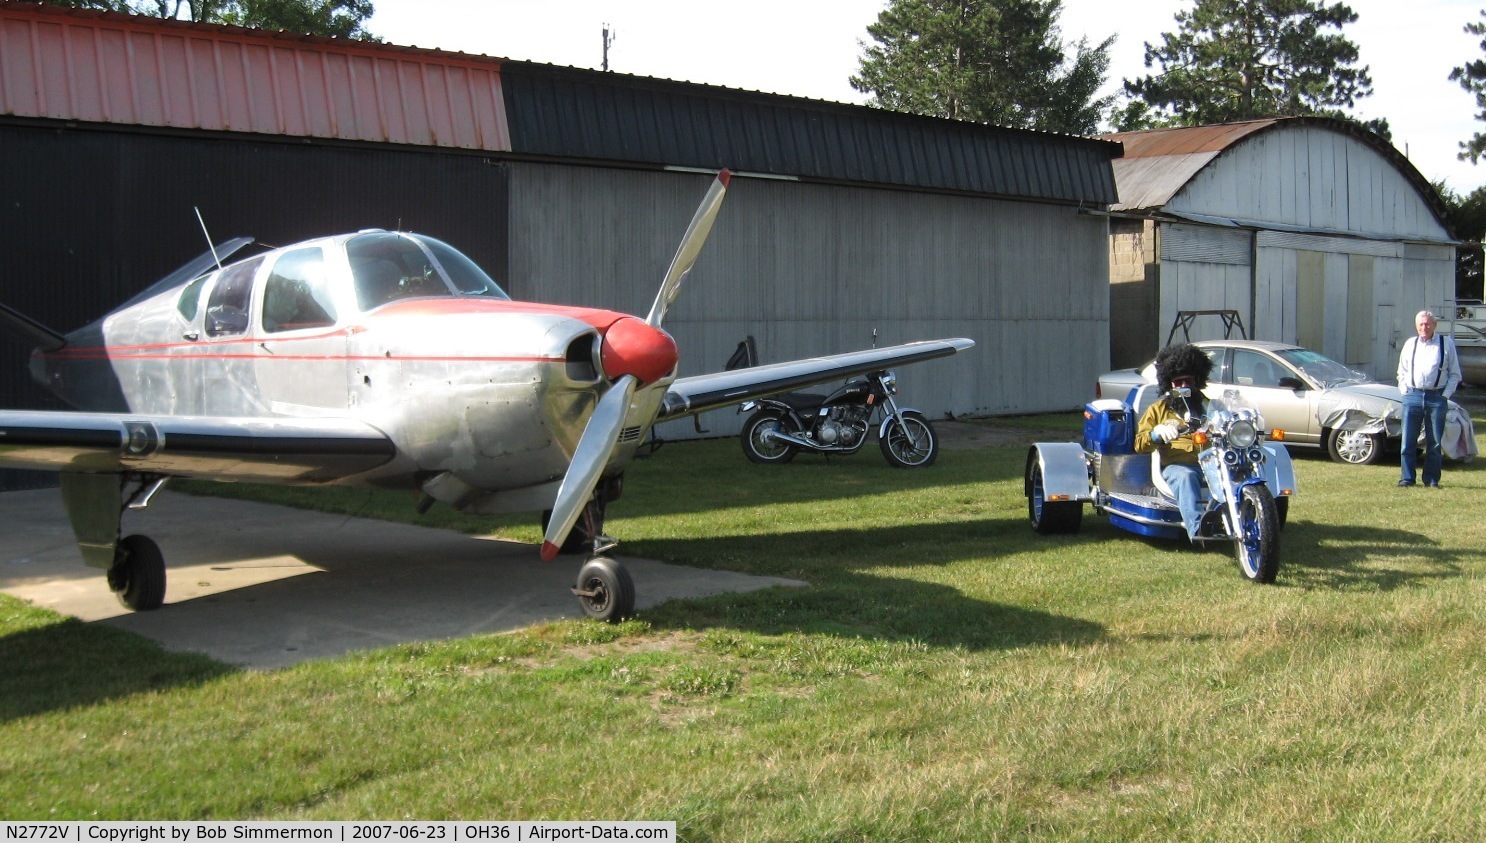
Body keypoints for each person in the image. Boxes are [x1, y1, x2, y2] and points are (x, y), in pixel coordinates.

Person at [1134, 343, 1213, 540]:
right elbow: (1140, 444)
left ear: (1197, 381)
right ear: (1169, 384)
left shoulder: (1208, 406)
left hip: (1212, 464)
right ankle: (1198, 531)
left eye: (1188, 381)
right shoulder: (1157, 410)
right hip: (1178, 466)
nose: (1184, 387)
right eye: (1179, 382)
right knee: (1185, 477)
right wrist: (1156, 434)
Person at [1396, 310, 1463, 488]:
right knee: (1407, 441)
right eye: (1421, 324)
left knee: (1434, 442)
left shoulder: (1446, 343)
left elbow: (1455, 374)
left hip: (1436, 397)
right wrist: (1405, 391)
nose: (1424, 327)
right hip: (1413, 396)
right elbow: (1401, 371)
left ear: (1434, 325)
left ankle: (1432, 479)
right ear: (1416, 326)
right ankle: (1407, 478)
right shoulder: (1410, 344)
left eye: (1427, 324)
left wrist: (1445, 396)